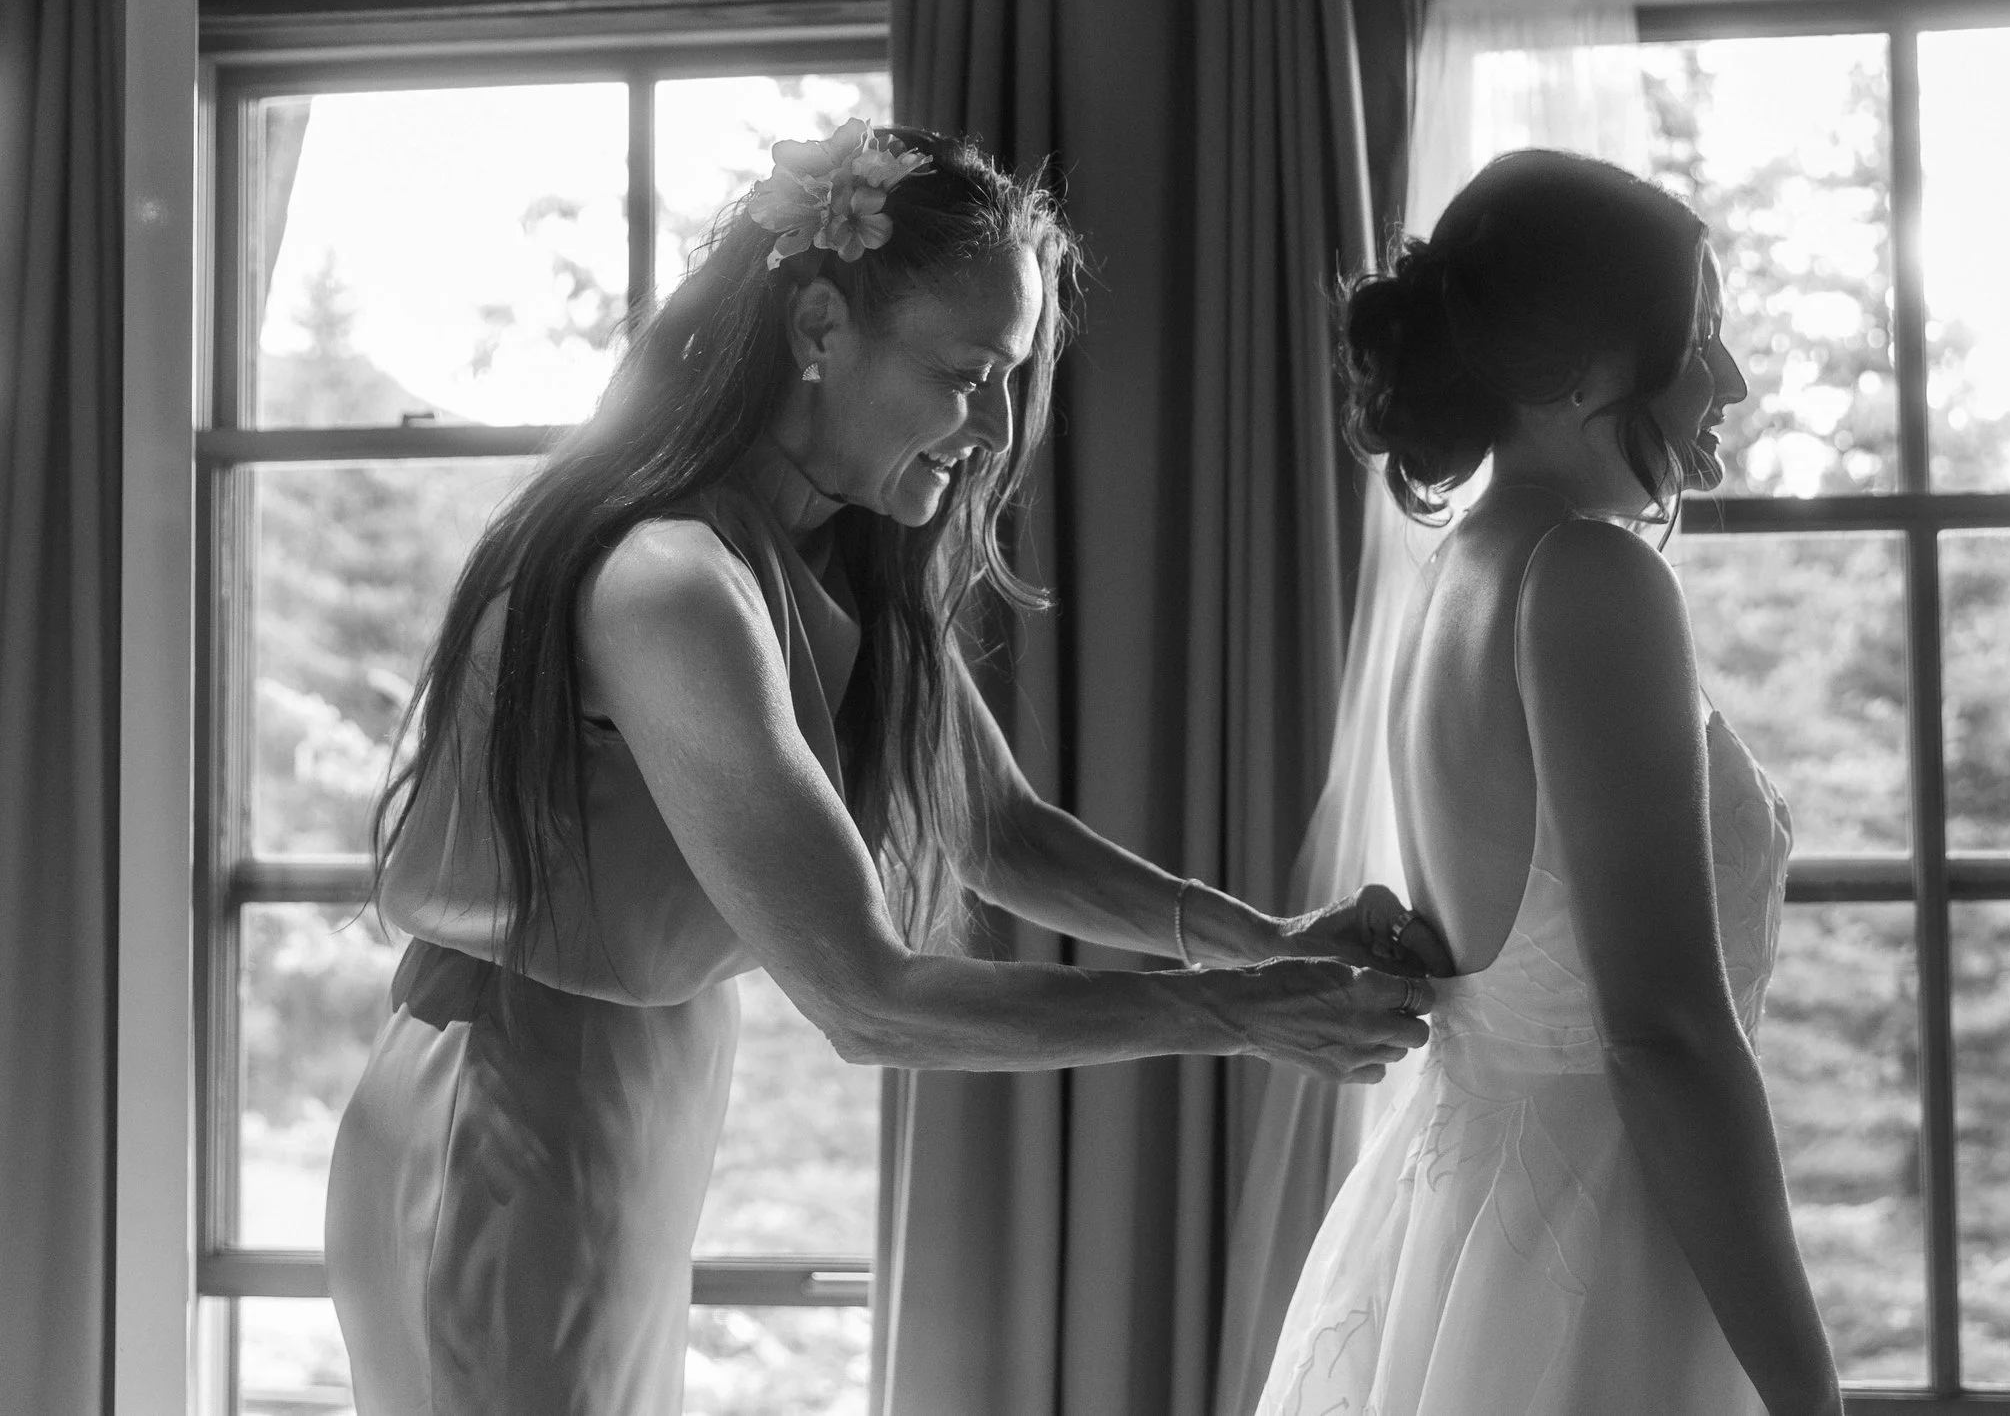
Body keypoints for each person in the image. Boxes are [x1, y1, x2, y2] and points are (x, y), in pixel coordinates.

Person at [325, 122, 1450, 1416]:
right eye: (967, 371)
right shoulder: (672, 582)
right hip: (512, 1101)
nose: (993, 424)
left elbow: (998, 827)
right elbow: (867, 998)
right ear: (818, 325)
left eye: (1012, 377)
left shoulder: (825, 546)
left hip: (631, 1090)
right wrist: (1240, 1015)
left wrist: (1261, 942)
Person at [1255, 150, 1842, 1416]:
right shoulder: (1589, 577)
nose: (1731, 378)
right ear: (1583, 364)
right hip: (1595, 1245)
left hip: (1471, 1224)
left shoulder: (1460, 567)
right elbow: (1665, 1035)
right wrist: (1807, 1389)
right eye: (1700, 338)